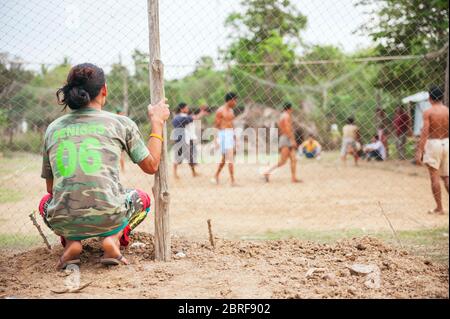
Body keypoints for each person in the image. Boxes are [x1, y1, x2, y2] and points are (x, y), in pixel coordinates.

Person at [39, 63, 170, 269]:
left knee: (45, 202)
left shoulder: (52, 129)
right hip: (109, 216)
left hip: (65, 219)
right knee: (142, 199)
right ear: (104, 90)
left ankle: (72, 243)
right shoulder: (121, 123)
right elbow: (151, 165)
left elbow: (50, 189)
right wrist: (157, 122)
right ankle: (113, 239)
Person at [415, 86, 449, 215]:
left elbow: (425, 133)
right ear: (441, 97)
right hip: (447, 142)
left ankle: (439, 208)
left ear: (430, 98)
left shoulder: (428, 112)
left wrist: (420, 151)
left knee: (434, 176)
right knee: (447, 177)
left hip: (433, 143)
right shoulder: (447, 111)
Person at [264, 102, 301, 183]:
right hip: (286, 138)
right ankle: (267, 172)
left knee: (293, 159)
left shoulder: (282, 116)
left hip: (286, 138)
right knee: (282, 161)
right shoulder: (286, 116)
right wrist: (292, 139)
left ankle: (293, 178)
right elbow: (287, 129)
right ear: (290, 108)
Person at [172, 102, 208, 179]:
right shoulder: (181, 117)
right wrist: (202, 112)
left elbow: (192, 116)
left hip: (184, 140)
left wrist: (200, 110)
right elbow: (194, 117)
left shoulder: (179, 117)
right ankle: (175, 174)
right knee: (179, 157)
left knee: (188, 157)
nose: (188, 109)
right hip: (182, 140)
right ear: (182, 109)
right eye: (186, 108)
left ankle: (193, 172)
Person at [213, 92, 238, 186]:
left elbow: (232, 124)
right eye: (235, 100)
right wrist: (215, 140)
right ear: (230, 100)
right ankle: (232, 180)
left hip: (230, 134)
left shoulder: (231, 111)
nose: (236, 102)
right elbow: (215, 126)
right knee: (230, 157)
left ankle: (216, 175)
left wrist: (235, 136)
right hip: (223, 134)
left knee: (225, 158)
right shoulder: (220, 111)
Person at [116, 107, 127, 172]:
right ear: (119, 113)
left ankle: (122, 169)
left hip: (120, 138)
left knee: (121, 155)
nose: (123, 114)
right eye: (122, 113)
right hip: (120, 139)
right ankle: (122, 169)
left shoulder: (115, 119)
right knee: (121, 156)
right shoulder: (120, 119)